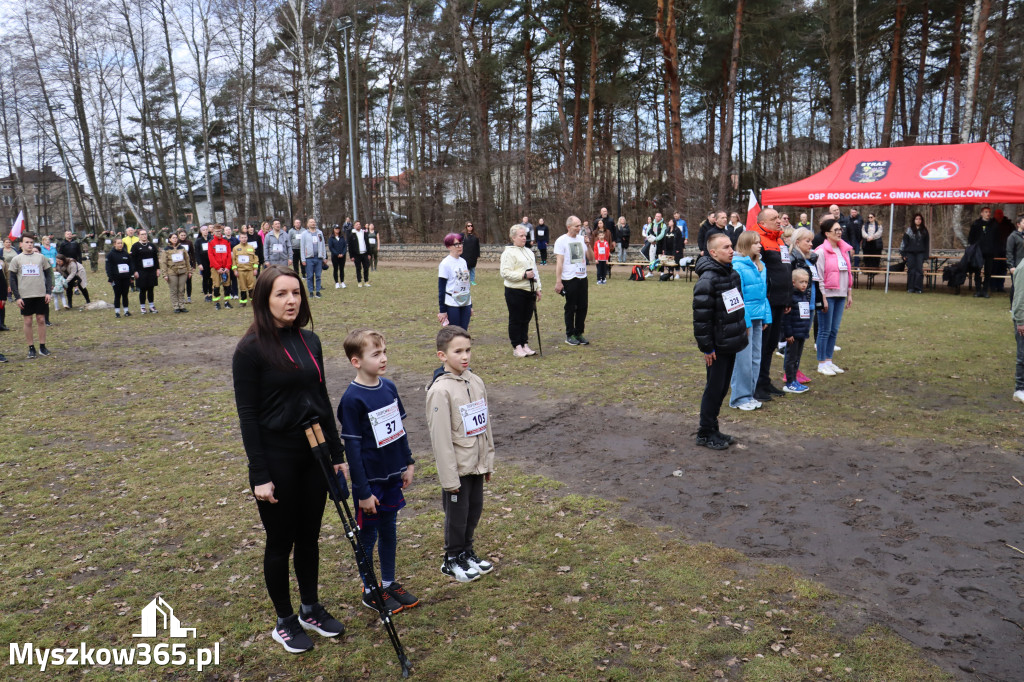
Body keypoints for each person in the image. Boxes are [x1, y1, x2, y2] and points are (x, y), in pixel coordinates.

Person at [232, 265, 347, 654]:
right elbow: (248, 416)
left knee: (310, 537)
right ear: (264, 300)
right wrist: (259, 474)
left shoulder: (310, 340)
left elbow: (322, 398)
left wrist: (336, 453)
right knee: (281, 541)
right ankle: (284, 620)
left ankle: (310, 608)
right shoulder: (250, 350)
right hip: (276, 457)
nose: (291, 300)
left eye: (296, 293)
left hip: (313, 454)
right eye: (281, 294)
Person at [338, 329, 420, 615]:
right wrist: (362, 492)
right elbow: (352, 449)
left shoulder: (389, 387)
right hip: (370, 483)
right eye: (376, 354)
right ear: (356, 361)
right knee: (368, 536)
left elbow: (399, 430)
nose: (383, 358)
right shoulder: (352, 400)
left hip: (392, 476)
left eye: (384, 352)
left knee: (389, 530)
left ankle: (387, 583)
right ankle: (369, 589)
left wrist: (407, 462)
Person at [425, 325, 495, 582]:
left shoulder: (476, 381)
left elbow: (485, 425)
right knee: (457, 516)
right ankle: (452, 558)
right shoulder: (440, 391)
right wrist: (449, 479)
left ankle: (466, 552)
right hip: (457, 468)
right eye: (458, 351)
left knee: (473, 510)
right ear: (442, 356)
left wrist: (487, 461)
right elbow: (440, 439)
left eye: (468, 350)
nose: (465, 356)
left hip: (476, 463)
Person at [692, 233, 747, 449]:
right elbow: (701, 318)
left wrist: (741, 331)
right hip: (716, 346)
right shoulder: (707, 280)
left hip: (730, 342)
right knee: (714, 388)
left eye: (731, 246)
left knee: (723, 387)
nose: (731, 250)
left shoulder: (732, 274)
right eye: (726, 247)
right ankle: (705, 432)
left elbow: (736, 307)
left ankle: (713, 428)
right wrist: (707, 347)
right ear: (713, 252)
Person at [748, 208, 791, 401]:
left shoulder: (780, 240)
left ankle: (764, 380)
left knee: (772, 343)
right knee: (762, 344)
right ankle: (755, 383)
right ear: (763, 222)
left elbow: (786, 269)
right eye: (774, 218)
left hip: (780, 300)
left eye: (779, 217)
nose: (779, 221)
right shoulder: (758, 241)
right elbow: (757, 272)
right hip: (766, 301)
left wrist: (787, 298)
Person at [728, 231, 770, 411]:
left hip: (758, 318)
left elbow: (763, 294)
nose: (759, 245)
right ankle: (739, 397)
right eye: (755, 243)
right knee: (743, 360)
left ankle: (749, 395)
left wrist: (766, 316)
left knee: (755, 358)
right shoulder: (737, 266)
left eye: (759, 242)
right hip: (745, 320)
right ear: (746, 245)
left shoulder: (760, 265)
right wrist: (744, 321)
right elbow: (738, 296)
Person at [813, 218, 853, 376]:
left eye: (840, 229)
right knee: (825, 330)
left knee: (834, 330)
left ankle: (829, 360)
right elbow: (819, 277)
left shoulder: (844, 250)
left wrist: (849, 292)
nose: (839, 232)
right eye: (835, 230)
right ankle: (821, 363)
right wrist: (822, 297)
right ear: (827, 233)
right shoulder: (820, 252)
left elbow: (848, 273)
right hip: (827, 295)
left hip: (841, 294)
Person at [8, 233, 53, 358]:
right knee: (28, 321)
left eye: (31, 242)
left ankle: (42, 347)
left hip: (40, 294)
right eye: (27, 242)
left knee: (41, 319)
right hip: (25, 295)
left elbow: (48, 275)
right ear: (21, 244)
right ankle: (31, 348)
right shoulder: (16, 259)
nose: (29, 244)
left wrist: (48, 292)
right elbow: (12, 279)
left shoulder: (41, 257)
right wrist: (17, 297)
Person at [500, 225, 541, 358]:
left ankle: (524, 343)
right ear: (513, 237)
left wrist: (538, 288)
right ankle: (517, 346)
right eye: (521, 236)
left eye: (525, 236)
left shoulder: (529, 251)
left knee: (526, 319)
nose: (524, 238)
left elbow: (535, 271)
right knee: (516, 319)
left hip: (530, 290)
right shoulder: (508, 253)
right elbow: (505, 273)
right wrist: (523, 275)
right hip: (515, 291)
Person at [787, 227, 819, 385]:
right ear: (797, 242)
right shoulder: (792, 259)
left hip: (809, 303)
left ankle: (796, 370)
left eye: (812, 241)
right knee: (793, 342)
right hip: (797, 305)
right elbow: (789, 283)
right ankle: (789, 374)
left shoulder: (811, 259)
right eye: (808, 241)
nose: (811, 244)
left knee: (801, 338)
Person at [554, 216, 589, 346]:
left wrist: (589, 245)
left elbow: (591, 257)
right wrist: (558, 281)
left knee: (583, 306)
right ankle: (570, 334)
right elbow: (559, 262)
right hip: (569, 278)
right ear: (569, 227)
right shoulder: (561, 241)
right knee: (571, 307)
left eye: (580, 226)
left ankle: (579, 332)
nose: (579, 228)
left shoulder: (582, 239)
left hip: (582, 277)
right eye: (577, 226)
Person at [782, 269, 812, 394]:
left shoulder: (804, 296)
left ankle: (795, 379)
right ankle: (790, 381)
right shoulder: (791, 298)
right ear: (793, 282)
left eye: (806, 282)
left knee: (797, 358)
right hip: (793, 335)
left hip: (801, 333)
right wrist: (788, 334)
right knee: (791, 358)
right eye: (801, 282)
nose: (804, 285)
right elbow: (786, 319)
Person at [437, 233, 472, 330]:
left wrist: (470, 305)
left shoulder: (463, 261)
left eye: (461, 243)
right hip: (452, 303)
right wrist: (442, 310)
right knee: (455, 332)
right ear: (449, 247)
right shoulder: (445, 264)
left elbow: (466, 284)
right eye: (456, 244)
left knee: (464, 332)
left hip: (465, 302)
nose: (460, 246)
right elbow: (441, 288)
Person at [969, 207, 1000, 297]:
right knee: (977, 271)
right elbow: (971, 237)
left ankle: (985, 290)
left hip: (990, 252)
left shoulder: (994, 224)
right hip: (978, 252)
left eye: (989, 212)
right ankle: (978, 290)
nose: (988, 214)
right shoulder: (976, 224)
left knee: (988, 272)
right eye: (986, 212)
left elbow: (997, 239)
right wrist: (974, 247)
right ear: (981, 213)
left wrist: (995, 249)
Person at [161, 232, 192, 313]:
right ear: (169, 239)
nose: (175, 239)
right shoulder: (166, 249)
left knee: (181, 289)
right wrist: (165, 274)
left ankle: (182, 305)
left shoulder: (182, 248)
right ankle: (176, 306)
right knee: (174, 290)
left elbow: (187, 260)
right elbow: (163, 263)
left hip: (182, 271)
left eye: (176, 238)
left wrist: (189, 271)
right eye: (173, 238)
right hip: (172, 272)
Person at [131, 229, 161, 314]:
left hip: (151, 271)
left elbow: (155, 258)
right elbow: (133, 260)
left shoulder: (151, 245)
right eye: (142, 234)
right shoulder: (135, 246)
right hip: (141, 271)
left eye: (145, 234)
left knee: (151, 288)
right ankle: (143, 307)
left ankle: (151, 306)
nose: (144, 236)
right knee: (143, 289)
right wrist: (135, 271)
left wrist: (157, 269)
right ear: (138, 235)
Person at [900, 213, 930, 294]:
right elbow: (904, 242)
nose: (918, 220)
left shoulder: (924, 230)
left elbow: (926, 244)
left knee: (919, 271)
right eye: (916, 219)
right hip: (910, 253)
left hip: (920, 253)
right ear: (914, 220)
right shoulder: (909, 230)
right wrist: (903, 254)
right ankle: (910, 288)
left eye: (920, 219)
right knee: (911, 270)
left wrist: (926, 255)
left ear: (922, 220)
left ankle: (918, 288)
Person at [300, 218, 328, 299]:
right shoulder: (304, 234)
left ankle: (318, 291)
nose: (313, 223)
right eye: (311, 222)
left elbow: (322, 245)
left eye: (314, 222)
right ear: (308, 224)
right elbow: (302, 247)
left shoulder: (319, 233)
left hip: (318, 258)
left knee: (318, 275)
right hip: (309, 258)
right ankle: (311, 292)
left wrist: (324, 257)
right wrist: (303, 259)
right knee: (310, 276)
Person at [106, 237, 134, 318]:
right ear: (114, 244)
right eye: (118, 243)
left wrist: (131, 276)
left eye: (121, 243)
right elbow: (108, 267)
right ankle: (117, 312)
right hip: (116, 279)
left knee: (125, 294)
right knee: (117, 295)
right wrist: (110, 278)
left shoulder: (126, 254)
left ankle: (126, 311)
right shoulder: (110, 255)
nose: (120, 245)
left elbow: (131, 265)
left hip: (126, 278)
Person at [208, 226, 234, 310]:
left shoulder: (226, 241)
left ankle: (227, 302)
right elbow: (211, 256)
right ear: (213, 232)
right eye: (217, 231)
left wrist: (227, 267)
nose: (218, 233)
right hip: (216, 268)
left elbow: (229, 254)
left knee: (227, 285)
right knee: (216, 285)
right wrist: (218, 268)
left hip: (226, 267)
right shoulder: (211, 242)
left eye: (220, 231)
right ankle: (217, 302)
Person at [232, 230, 259, 307]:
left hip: (250, 270)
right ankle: (243, 302)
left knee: (251, 286)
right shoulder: (235, 248)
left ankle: (253, 301)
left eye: (245, 237)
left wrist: (255, 269)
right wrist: (235, 270)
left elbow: (255, 259)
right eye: (242, 237)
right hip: (240, 271)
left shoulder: (251, 247)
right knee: (242, 286)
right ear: (239, 238)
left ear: (247, 238)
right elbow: (233, 260)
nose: (244, 239)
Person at [1012, 264, 1024, 404]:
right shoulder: (1023, 268)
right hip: (1022, 319)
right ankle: (1019, 389)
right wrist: (1021, 321)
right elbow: (1020, 295)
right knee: (1022, 354)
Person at [347, 221, 371, 287]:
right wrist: (351, 256)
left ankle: (366, 281)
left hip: (365, 253)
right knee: (358, 268)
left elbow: (367, 243)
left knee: (366, 268)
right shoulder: (352, 234)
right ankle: (359, 282)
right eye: (357, 224)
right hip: (356, 254)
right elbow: (350, 246)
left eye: (359, 224)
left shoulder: (364, 233)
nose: (358, 225)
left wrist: (369, 253)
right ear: (354, 226)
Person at [194, 224, 213, 301]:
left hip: (211, 261)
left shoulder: (211, 239)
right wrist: (199, 264)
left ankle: (211, 293)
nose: (205, 231)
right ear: (201, 231)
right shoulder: (198, 241)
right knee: (205, 278)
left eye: (206, 230)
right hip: (203, 262)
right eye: (203, 230)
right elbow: (197, 253)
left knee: (211, 278)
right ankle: (206, 294)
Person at [177, 229, 196, 303]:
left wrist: (194, 265)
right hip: (179, 264)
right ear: (178, 235)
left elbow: (192, 254)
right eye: (181, 235)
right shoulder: (176, 243)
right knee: (181, 281)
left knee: (188, 280)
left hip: (188, 263)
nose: (183, 237)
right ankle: (182, 297)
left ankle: (189, 297)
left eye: (184, 235)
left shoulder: (189, 242)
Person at [329, 224, 348, 289]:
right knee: (335, 269)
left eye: (338, 229)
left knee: (342, 269)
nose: (337, 230)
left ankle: (342, 282)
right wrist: (337, 254)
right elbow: (331, 247)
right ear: (334, 229)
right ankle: (336, 282)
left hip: (342, 256)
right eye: (336, 229)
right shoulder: (331, 238)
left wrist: (343, 253)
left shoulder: (342, 237)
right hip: (335, 256)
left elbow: (345, 246)